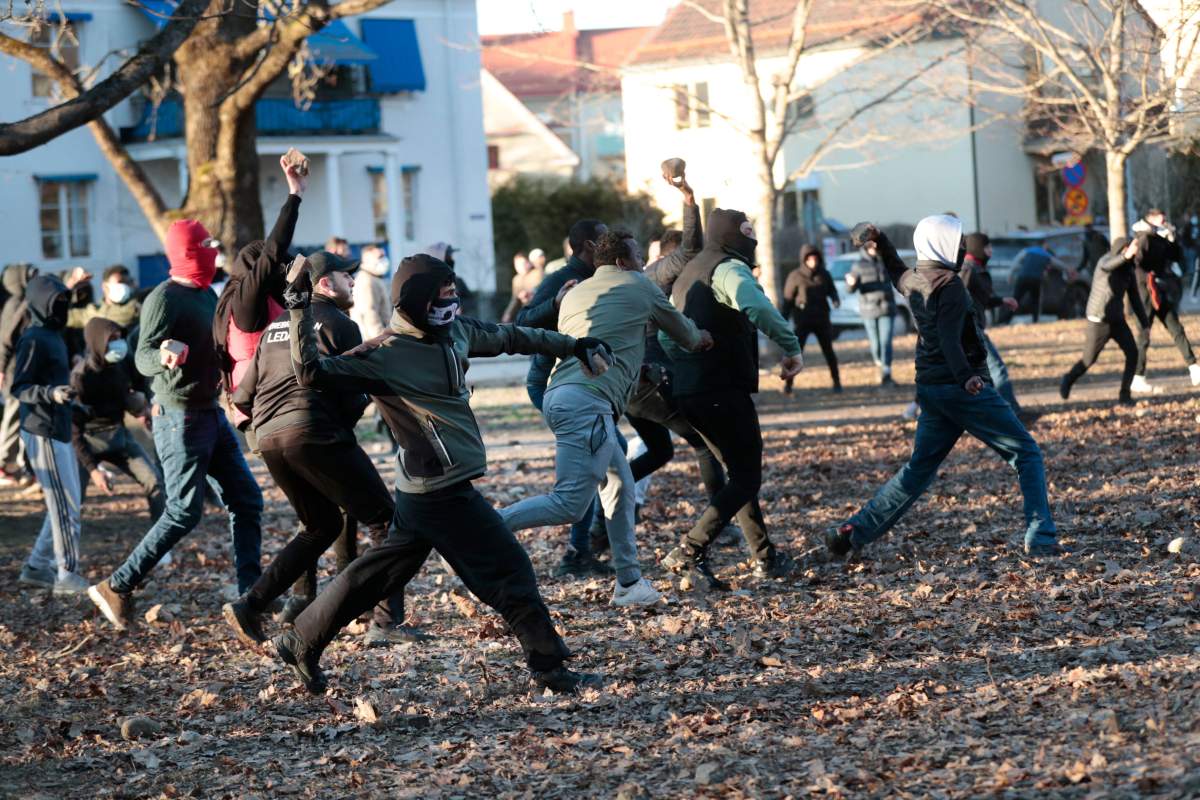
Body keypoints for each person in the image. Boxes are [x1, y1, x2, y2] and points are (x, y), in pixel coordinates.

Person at [269, 253, 610, 695]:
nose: (453, 305)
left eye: (454, 295)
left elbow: (511, 336)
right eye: (443, 297)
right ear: (416, 301)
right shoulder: (383, 353)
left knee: (378, 574)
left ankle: (299, 640)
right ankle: (550, 668)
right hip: (439, 490)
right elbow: (311, 372)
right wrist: (297, 307)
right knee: (510, 572)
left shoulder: (458, 332)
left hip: (422, 492)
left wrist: (574, 345)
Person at [825, 216, 1062, 559]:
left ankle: (850, 534)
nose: (963, 245)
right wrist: (967, 377)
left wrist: (883, 239)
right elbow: (951, 339)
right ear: (944, 243)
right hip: (961, 389)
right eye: (959, 239)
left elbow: (894, 270)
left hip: (932, 390)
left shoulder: (916, 279)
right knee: (1026, 452)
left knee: (918, 470)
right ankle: (1041, 537)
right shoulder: (949, 285)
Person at [499, 229, 710, 607]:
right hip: (588, 403)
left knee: (620, 485)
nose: (644, 261)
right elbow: (682, 332)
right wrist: (702, 338)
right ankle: (486, 529)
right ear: (623, 262)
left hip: (562, 397)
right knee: (568, 504)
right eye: (639, 255)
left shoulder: (576, 291)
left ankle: (629, 582)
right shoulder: (639, 286)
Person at [224, 251, 410, 648]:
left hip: (271, 439)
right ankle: (386, 622)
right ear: (324, 284)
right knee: (386, 520)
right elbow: (351, 394)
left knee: (320, 526)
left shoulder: (276, 325)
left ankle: (251, 604)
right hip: (315, 433)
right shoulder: (341, 325)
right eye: (347, 276)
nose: (354, 283)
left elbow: (242, 396)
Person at [87, 219, 264, 631]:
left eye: (211, 246)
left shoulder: (206, 294)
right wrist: (164, 356)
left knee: (248, 501)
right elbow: (141, 356)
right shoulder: (162, 299)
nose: (211, 253)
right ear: (186, 253)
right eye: (203, 247)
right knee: (184, 511)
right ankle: (117, 585)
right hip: (179, 417)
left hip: (211, 413)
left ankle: (252, 595)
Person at [659, 208, 804, 589]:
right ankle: (690, 548)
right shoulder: (728, 269)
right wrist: (790, 346)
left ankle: (764, 556)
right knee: (747, 476)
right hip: (720, 387)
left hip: (690, 390)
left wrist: (687, 364)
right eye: (747, 234)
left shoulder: (688, 272)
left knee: (738, 478)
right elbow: (755, 305)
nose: (752, 241)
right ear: (733, 238)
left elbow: (664, 336)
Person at [516, 219, 609, 564]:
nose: (609, 244)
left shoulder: (602, 279)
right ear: (587, 245)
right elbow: (523, 323)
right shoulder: (560, 280)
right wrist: (555, 304)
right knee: (591, 467)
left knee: (604, 461)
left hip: (586, 386)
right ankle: (579, 549)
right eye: (603, 239)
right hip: (550, 384)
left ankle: (588, 545)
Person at [214, 155, 306, 430]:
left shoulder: (247, 299)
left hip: (265, 402)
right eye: (277, 269)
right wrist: (295, 195)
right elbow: (273, 251)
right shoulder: (246, 299)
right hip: (262, 405)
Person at [12, 274, 89, 593]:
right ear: (41, 305)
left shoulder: (56, 336)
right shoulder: (32, 338)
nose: (62, 309)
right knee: (65, 505)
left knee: (67, 503)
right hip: (40, 430)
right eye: (56, 304)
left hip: (59, 428)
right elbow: (20, 387)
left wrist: (71, 401)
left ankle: (35, 568)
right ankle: (66, 574)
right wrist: (50, 394)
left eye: (64, 303)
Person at [70, 318, 164, 520]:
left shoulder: (123, 363)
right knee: (72, 500)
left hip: (118, 435)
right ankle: (60, 549)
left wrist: (143, 408)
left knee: (154, 481)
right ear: (97, 341)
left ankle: (162, 545)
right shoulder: (81, 378)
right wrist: (93, 470)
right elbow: (74, 431)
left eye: (119, 338)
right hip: (87, 441)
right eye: (111, 339)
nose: (118, 344)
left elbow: (138, 386)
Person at [1060, 237, 1149, 404]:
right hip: (1098, 319)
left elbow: (1135, 298)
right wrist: (1125, 256)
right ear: (1123, 249)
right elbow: (1109, 265)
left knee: (1133, 354)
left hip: (1117, 320)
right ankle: (1068, 379)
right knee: (1088, 360)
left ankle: (1125, 395)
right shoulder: (1105, 261)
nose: (1135, 253)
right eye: (1132, 250)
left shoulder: (1128, 270)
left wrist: (1145, 323)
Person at [1128, 210, 1200, 391]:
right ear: (1151, 218)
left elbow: (1176, 256)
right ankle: (1137, 376)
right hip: (1145, 292)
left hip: (1158, 292)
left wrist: (1172, 238)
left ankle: (1193, 368)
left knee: (1175, 327)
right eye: (1161, 218)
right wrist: (1148, 278)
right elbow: (1137, 263)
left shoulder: (1158, 237)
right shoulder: (1143, 237)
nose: (1165, 221)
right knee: (1144, 334)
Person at [961, 233, 1025, 416]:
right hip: (971, 331)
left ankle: (992, 414)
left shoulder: (977, 268)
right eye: (988, 247)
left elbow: (981, 299)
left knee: (983, 376)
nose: (991, 251)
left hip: (975, 329)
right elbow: (958, 299)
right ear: (978, 249)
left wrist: (1002, 300)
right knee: (997, 371)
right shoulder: (968, 269)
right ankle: (1014, 414)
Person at [780, 245, 841, 393]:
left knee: (829, 352)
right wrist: (783, 320)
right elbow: (788, 300)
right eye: (809, 259)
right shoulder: (795, 276)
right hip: (803, 321)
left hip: (821, 319)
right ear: (804, 259)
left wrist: (835, 299)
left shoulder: (824, 274)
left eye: (815, 258)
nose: (813, 261)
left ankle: (837, 383)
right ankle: (788, 384)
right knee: (795, 353)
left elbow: (832, 290)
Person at [0, 263, 37, 486]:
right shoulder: (15, 304)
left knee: (22, 418)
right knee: (14, 416)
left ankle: (18, 462)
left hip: (21, 369)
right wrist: (2, 368)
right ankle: (4, 462)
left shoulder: (20, 302)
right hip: (15, 371)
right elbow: (6, 340)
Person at [845, 240, 897, 386]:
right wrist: (851, 283)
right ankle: (879, 364)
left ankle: (886, 372)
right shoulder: (858, 265)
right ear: (866, 246)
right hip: (868, 309)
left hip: (887, 307)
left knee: (886, 341)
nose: (874, 246)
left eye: (876, 243)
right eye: (871, 244)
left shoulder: (885, 261)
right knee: (875, 344)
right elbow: (850, 290)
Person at [67, 265, 142, 334]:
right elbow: (63, 315)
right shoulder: (92, 311)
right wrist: (69, 285)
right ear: (105, 286)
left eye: (127, 283)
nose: (125, 287)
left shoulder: (137, 308)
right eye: (120, 282)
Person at [1011, 244, 1066, 323]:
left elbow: (1015, 263)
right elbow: (1059, 264)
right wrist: (1069, 269)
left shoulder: (1027, 250)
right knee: (1035, 301)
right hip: (1035, 279)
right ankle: (1035, 319)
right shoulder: (1046, 255)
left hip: (1023, 278)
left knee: (1016, 298)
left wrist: (1010, 276)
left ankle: (1005, 318)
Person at [351, 245, 391, 341]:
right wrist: (380, 340)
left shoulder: (373, 278)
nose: (384, 259)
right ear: (368, 260)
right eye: (379, 257)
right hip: (375, 340)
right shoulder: (367, 280)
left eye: (383, 256)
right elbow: (370, 314)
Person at [501, 252, 543, 323]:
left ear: (529, 263)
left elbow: (541, 291)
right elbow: (515, 299)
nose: (521, 267)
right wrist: (508, 314)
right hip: (526, 311)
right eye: (517, 265)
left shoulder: (538, 273)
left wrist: (529, 294)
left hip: (539, 308)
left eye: (523, 263)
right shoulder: (516, 280)